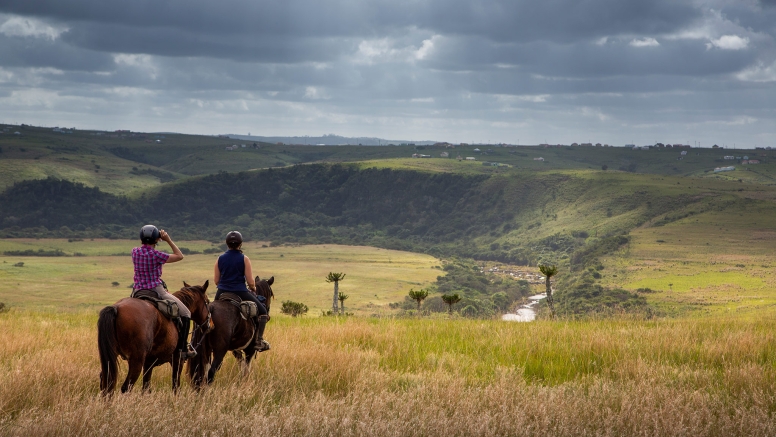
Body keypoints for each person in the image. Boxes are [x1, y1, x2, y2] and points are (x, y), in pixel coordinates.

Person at [132, 225, 196, 359]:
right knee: (186, 313)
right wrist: (167, 239)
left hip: (137, 290)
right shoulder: (157, 255)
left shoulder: (135, 252)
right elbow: (179, 256)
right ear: (156, 240)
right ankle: (183, 348)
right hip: (156, 289)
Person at [214, 231, 270, 352]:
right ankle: (259, 341)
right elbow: (250, 282)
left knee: (209, 313)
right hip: (240, 291)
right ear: (240, 244)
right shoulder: (244, 259)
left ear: (227, 244)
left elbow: (216, 281)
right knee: (263, 311)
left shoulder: (219, 259)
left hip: (221, 292)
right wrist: (253, 288)